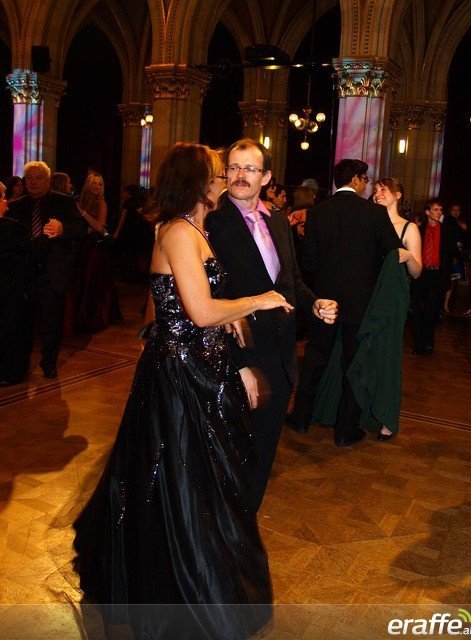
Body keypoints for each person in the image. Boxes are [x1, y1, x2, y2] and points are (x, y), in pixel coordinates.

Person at [73, 143, 294, 640]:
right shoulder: (175, 231)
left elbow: (196, 305)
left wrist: (226, 322)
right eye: (217, 174)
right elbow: (199, 311)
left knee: (203, 481)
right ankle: (179, 586)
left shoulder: (195, 230)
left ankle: (199, 573)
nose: (224, 181)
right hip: (178, 376)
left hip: (200, 367)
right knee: (180, 481)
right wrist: (256, 302)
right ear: (198, 184)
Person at [206, 138, 338, 510]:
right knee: (227, 452)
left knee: (262, 452)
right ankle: (220, 527)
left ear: (265, 177)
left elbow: (289, 281)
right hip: (237, 357)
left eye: (249, 169)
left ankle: (245, 523)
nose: (240, 176)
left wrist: (314, 303)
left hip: (279, 358)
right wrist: (238, 363)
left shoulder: (277, 220)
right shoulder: (212, 222)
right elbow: (209, 300)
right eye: (233, 168)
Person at [288, 159, 404, 444]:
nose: (366, 185)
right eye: (365, 179)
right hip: (360, 303)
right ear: (355, 179)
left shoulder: (317, 213)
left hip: (323, 301)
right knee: (355, 364)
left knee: (315, 358)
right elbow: (393, 254)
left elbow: (309, 262)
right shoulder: (375, 213)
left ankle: (301, 417)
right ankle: (345, 430)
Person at [8, 161, 86, 378]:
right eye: (29, 178)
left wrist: (62, 229)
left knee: (51, 321)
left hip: (52, 272)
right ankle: (20, 365)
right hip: (24, 273)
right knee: (23, 321)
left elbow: (81, 229)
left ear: (48, 180)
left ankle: (49, 363)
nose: (33, 182)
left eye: (39, 178)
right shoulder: (16, 206)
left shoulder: (64, 202)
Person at [371, 177, 422, 440]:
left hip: (393, 300)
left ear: (398, 195)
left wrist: (408, 256)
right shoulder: (370, 224)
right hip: (368, 296)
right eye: (375, 190)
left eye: (383, 190)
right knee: (366, 353)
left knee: (388, 356)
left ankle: (387, 418)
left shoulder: (409, 228)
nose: (377, 194)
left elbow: (417, 271)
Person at [74, 171, 123, 332]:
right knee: (80, 280)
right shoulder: (80, 200)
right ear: (88, 185)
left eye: (100, 184)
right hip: (81, 245)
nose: (97, 186)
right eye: (94, 183)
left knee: (91, 281)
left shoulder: (101, 203)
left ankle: (90, 316)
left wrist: (83, 214)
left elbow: (101, 227)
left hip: (96, 248)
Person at [410, 198, 456, 354]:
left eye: (440, 210)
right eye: (436, 210)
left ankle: (428, 343)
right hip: (420, 273)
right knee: (416, 309)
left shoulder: (447, 231)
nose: (439, 212)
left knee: (431, 311)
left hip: (437, 275)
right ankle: (418, 344)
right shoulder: (418, 230)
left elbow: (453, 253)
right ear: (427, 212)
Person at [0, 185, 31, 385]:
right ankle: (7, 373)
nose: (7, 201)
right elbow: (32, 249)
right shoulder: (12, 228)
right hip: (9, 289)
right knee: (9, 331)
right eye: (3, 197)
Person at [443, 203, 468, 313]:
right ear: (450, 211)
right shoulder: (446, 222)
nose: (456, 212)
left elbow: (465, 240)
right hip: (448, 254)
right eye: (453, 210)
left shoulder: (463, 224)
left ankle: (447, 303)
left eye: (458, 210)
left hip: (458, 254)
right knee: (445, 278)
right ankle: (443, 303)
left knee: (453, 279)